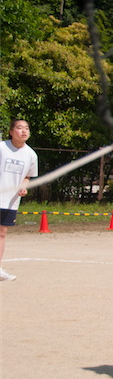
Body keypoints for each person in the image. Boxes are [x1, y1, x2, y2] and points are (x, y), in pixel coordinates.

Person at [1, 119, 38, 282]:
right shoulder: (2, 148)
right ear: (10, 132)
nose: (24, 131)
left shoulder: (31, 155)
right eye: (19, 128)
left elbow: (27, 177)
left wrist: (24, 187)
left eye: (27, 128)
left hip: (10, 201)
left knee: (2, 234)